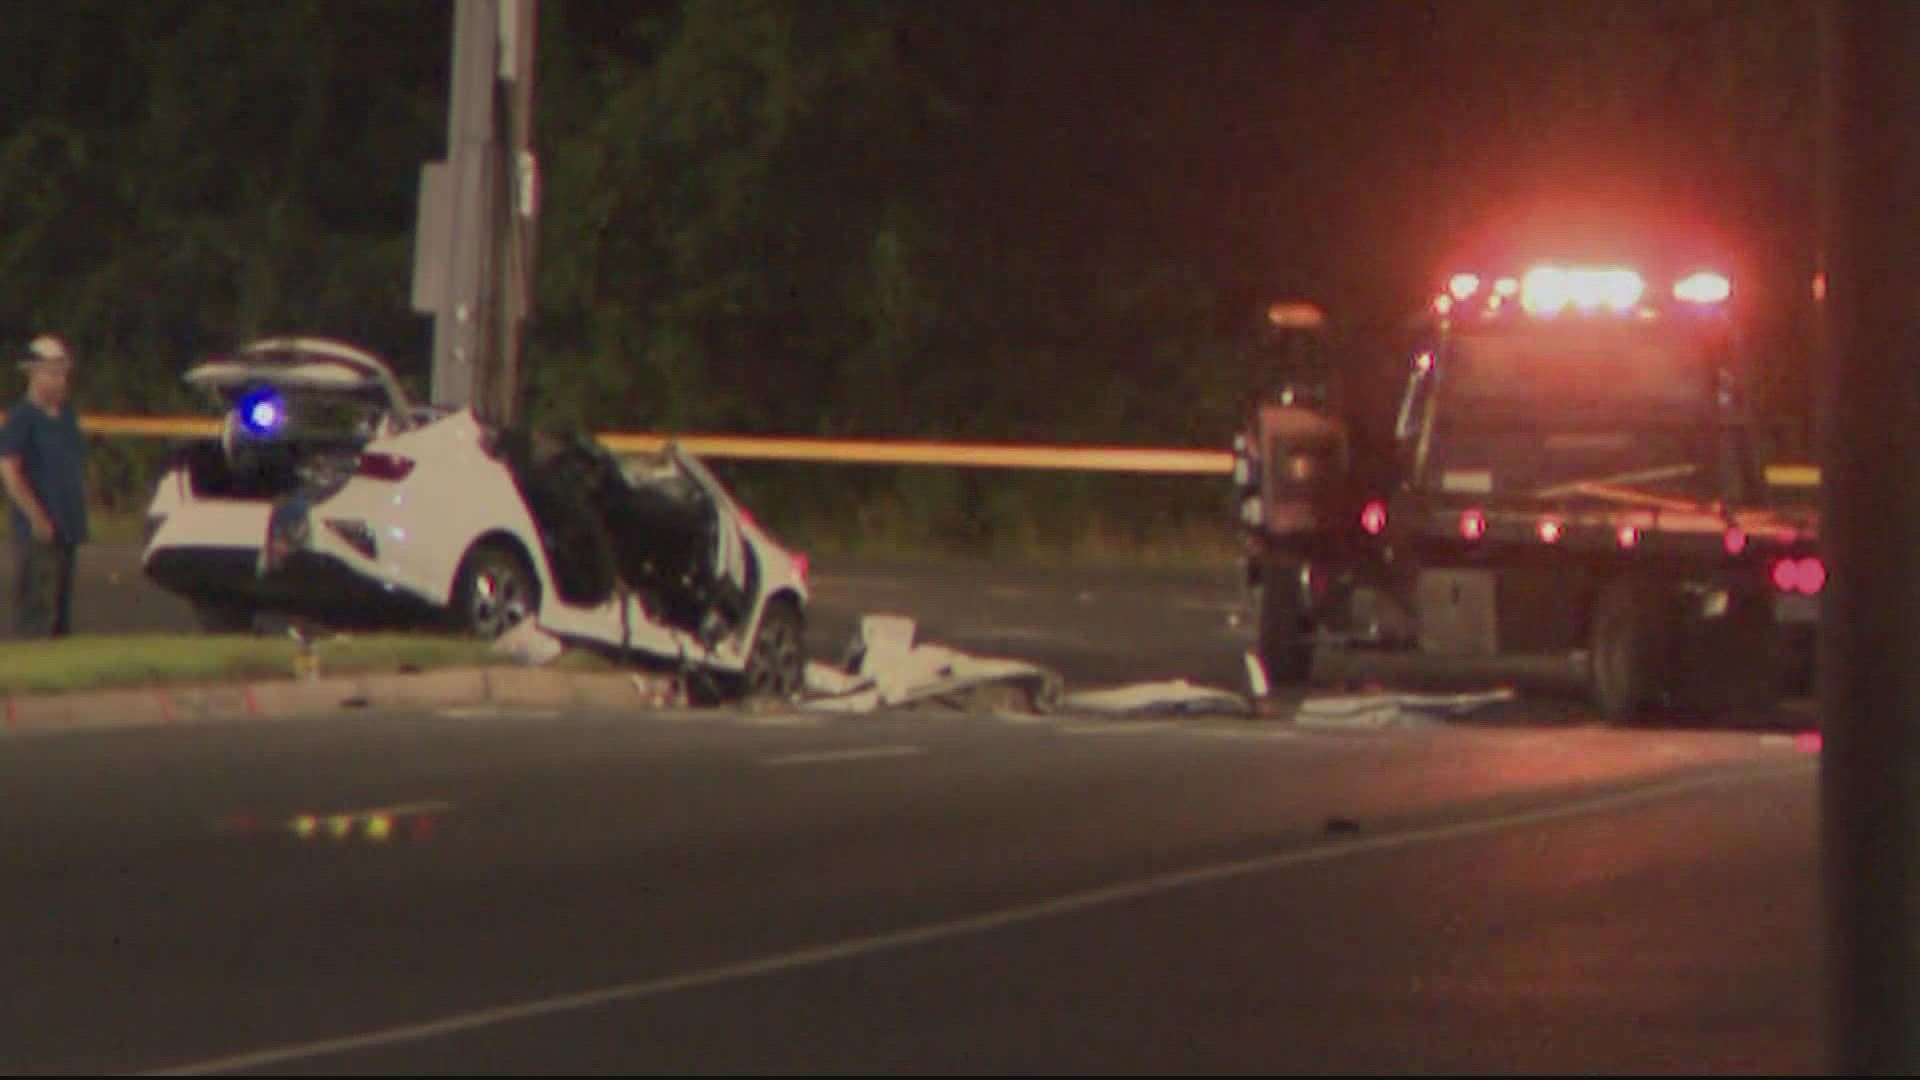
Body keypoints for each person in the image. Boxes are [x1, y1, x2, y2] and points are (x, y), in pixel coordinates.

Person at [0, 335, 89, 638]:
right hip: (38, 532)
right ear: (34, 373)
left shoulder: (66, 416)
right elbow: (10, 471)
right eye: (53, 372)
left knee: (61, 610)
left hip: (67, 525)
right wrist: (36, 516)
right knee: (37, 609)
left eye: (63, 372)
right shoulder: (22, 418)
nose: (60, 380)